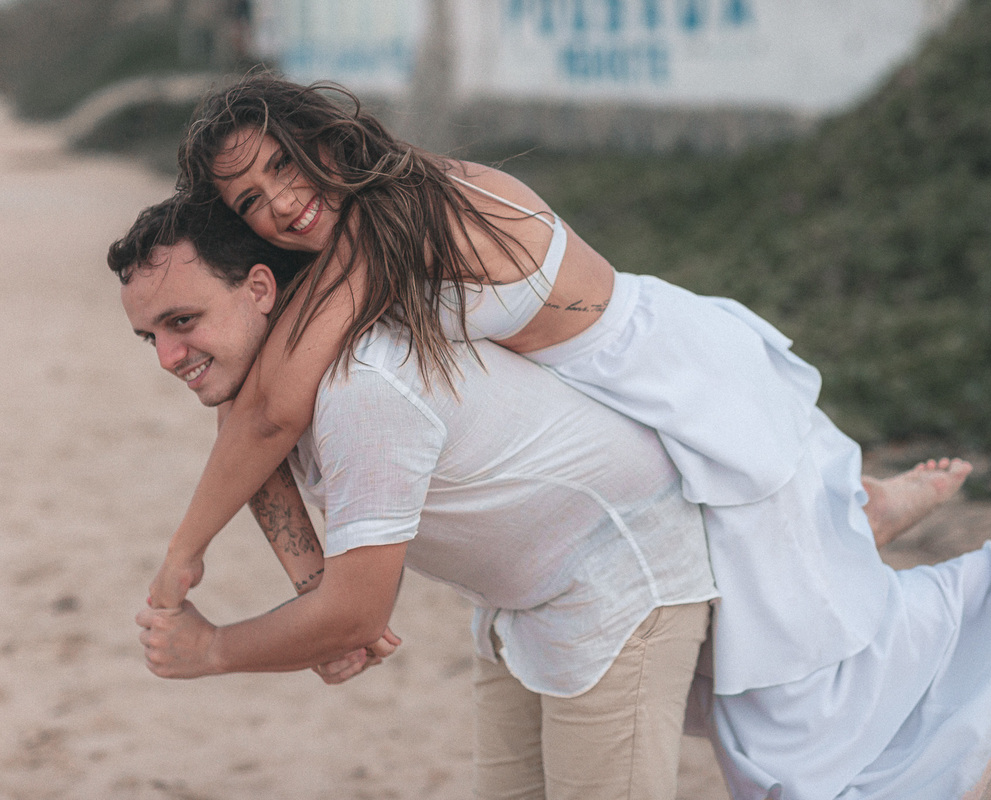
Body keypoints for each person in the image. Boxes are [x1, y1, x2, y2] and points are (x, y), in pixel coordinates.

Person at [150, 74, 991, 799]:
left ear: (327, 135)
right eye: (250, 201)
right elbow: (260, 396)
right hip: (616, 385)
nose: (279, 201)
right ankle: (862, 508)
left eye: (282, 165)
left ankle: (962, 546)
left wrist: (185, 555)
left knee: (793, 685)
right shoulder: (346, 244)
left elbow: (273, 409)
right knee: (781, 587)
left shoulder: (397, 213)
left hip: (663, 369)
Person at [113, 196, 720, 799]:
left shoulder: (362, 388)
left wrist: (212, 649)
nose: (168, 357)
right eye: (150, 337)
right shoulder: (269, 384)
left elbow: (357, 614)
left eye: (182, 321)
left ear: (260, 289)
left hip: (618, 580)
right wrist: (313, 591)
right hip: (518, 597)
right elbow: (250, 445)